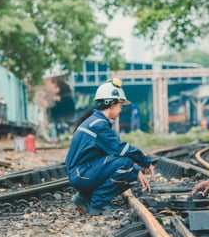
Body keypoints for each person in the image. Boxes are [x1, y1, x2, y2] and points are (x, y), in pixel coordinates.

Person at [65, 78, 154, 215]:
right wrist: (145, 162)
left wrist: (136, 170)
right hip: (81, 175)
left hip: (82, 173)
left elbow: (110, 155)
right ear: (112, 104)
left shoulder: (95, 122)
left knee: (130, 172)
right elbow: (122, 149)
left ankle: (84, 198)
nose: (121, 109)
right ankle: (97, 205)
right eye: (120, 105)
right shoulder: (98, 125)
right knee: (126, 163)